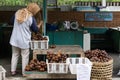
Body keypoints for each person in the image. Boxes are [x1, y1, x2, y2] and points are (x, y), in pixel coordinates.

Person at [9, 3, 43, 76]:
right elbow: (35, 29)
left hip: (14, 39)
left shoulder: (17, 13)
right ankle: (24, 73)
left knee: (15, 55)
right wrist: (39, 24)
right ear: (33, 11)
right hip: (24, 41)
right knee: (25, 56)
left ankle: (13, 71)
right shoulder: (31, 18)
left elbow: (11, 22)